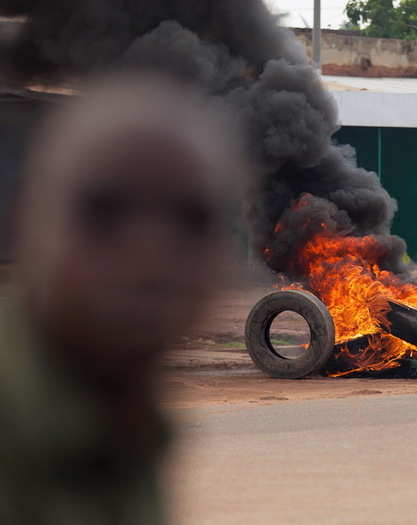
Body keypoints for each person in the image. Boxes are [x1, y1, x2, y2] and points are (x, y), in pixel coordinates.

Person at [0, 73, 239, 524]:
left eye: (192, 220)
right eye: (104, 211)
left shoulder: (124, 423)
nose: (150, 256)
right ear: (26, 224)